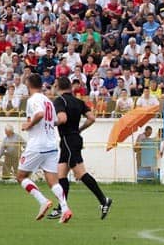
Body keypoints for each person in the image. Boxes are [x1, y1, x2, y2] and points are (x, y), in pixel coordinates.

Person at [47, 77, 112, 220]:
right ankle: (61, 207)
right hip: (72, 139)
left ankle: (103, 200)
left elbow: (62, 119)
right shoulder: (79, 101)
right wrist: (80, 129)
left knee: (80, 173)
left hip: (68, 140)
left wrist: (51, 124)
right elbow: (92, 118)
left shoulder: (59, 101)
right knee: (61, 174)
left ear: (58, 86)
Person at [16, 73, 71, 223]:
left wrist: (30, 124)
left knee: (21, 176)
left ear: (28, 85)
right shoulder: (48, 101)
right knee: (53, 181)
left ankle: (43, 201)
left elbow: (39, 114)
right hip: (51, 145)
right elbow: (55, 121)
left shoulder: (33, 100)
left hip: (37, 145)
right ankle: (65, 209)